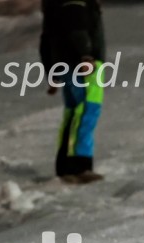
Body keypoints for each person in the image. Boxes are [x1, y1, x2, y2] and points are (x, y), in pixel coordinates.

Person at [40, 0, 106, 184]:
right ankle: (79, 166)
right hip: (82, 64)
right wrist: (86, 55)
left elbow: (46, 40)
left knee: (73, 113)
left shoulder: (53, 5)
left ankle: (65, 165)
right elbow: (77, 25)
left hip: (64, 63)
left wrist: (51, 72)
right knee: (87, 111)